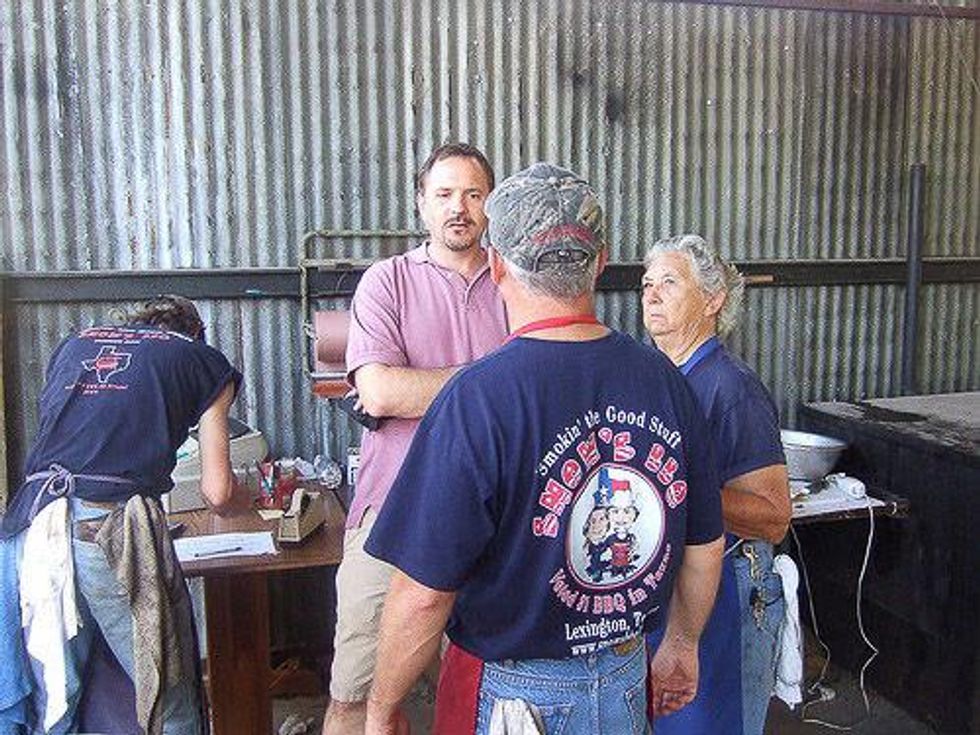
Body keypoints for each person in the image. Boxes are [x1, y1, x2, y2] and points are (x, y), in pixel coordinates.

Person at [362, 163, 725, 735]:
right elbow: (705, 545)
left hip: (513, 698)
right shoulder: (665, 382)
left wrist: (381, 708)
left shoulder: (477, 398)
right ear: (599, 264)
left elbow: (424, 597)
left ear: (498, 263)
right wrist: (682, 644)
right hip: (628, 676)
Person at [323, 143, 508, 734]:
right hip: (394, 511)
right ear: (421, 206)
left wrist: (428, 387)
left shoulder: (516, 282)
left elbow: (544, 381)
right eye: (445, 194)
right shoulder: (387, 283)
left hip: (499, 518)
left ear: (492, 205)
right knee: (358, 694)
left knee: (480, 697)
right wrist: (495, 381)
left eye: (474, 194)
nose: (460, 208)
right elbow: (378, 392)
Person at [0, 294, 244, 735]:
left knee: (57, 697)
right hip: (105, 530)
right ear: (195, 335)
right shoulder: (202, 362)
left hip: (32, 525)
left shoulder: (75, 344)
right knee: (168, 691)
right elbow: (218, 491)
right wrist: (243, 501)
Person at [642, 234, 792, 735]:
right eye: (647, 283)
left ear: (713, 299)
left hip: (730, 590)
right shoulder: (661, 377)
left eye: (669, 282)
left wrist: (674, 487)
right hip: (678, 589)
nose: (651, 294)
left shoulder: (731, 388)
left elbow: (774, 516)